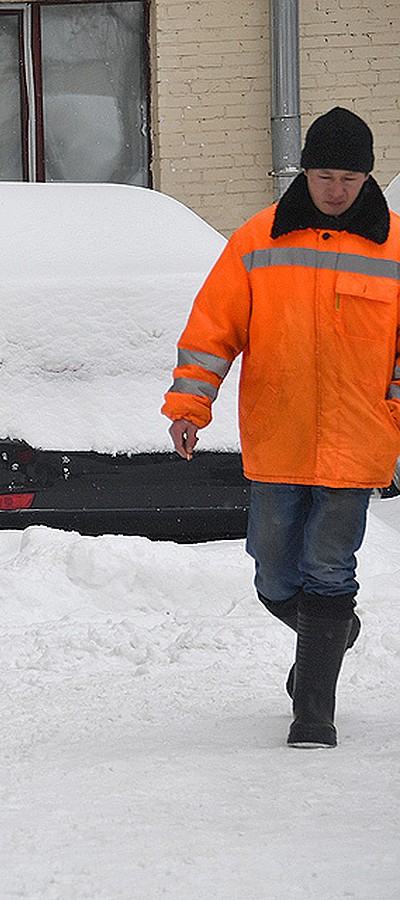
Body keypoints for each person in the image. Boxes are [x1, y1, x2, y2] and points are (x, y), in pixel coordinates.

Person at [162, 106, 400, 748]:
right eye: (325, 175)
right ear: (305, 172)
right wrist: (190, 406)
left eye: (350, 178)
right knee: (273, 571)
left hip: (357, 442)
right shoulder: (259, 238)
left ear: (368, 178)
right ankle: (331, 634)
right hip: (278, 436)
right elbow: (213, 331)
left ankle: (313, 711)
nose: (336, 190)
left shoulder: (396, 245)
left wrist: (392, 412)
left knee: (329, 567)